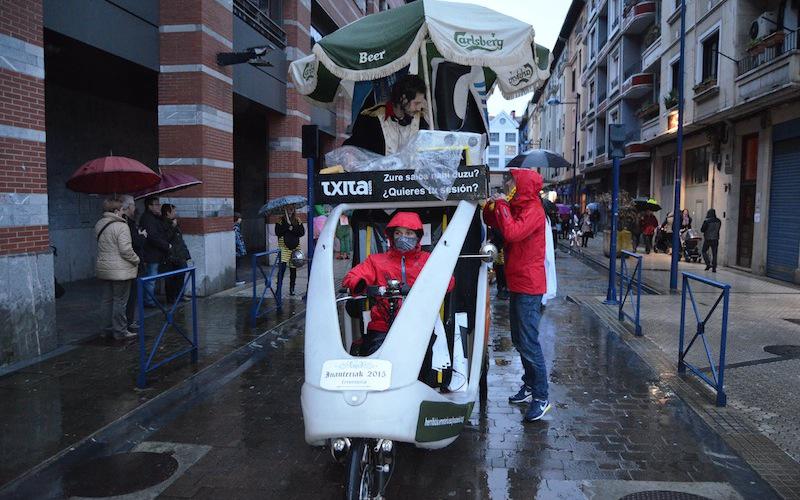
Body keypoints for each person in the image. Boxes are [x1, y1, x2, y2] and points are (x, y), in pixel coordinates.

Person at [483, 169, 551, 422]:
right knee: (519, 339)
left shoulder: (533, 209)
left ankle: (542, 397)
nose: (507, 184)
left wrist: (501, 204)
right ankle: (530, 385)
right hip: (518, 282)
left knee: (528, 342)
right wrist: (493, 205)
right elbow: (491, 220)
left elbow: (512, 233)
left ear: (522, 185)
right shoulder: (517, 205)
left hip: (529, 285)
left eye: (511, 180)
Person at [342, 211, 454, 356]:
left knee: (424, 361)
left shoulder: (428, 260)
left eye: (409, 233)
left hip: (420, 325)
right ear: (391, 236)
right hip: (382, 327)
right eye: (398, 233)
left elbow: (447, 281)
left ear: (417, 236)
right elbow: (353, 276)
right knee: (377, 359)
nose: (403, 237)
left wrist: (419, 288)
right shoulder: (376, 261)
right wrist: (361, 285)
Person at [343, 73, 429, 155]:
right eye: (416, 103)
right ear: (403, 98)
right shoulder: (372, 119)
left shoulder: (421, 119)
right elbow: (354, 148)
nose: (419, 108)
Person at [95, 198, 139, 340]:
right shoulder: (121, 226)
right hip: (120, 270)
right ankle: (120, 330)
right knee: (120, 300)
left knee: (106, 300)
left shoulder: (99, 224)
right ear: (115, 211)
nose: (123, 212)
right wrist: (136, 259)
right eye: (121, 210)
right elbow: (126, 250)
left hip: (104, 268)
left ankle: (105, 329)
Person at [139, 196, 171, 307]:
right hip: (151, 253)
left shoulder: (155, 217)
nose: (159, 207)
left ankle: (150, 299)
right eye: (156, 204)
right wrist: (166, 245)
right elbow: (153, 236)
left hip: (156, 253)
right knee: (151, 278)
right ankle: (149, 300)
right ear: (150, 206)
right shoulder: (147, 219)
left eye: (159, 204)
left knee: (153, 276)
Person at [120, 195, 146, 331]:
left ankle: (125, 322)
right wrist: (142, 236)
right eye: (133, 205)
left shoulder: (127, 222)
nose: (135, 208)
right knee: (129, 295)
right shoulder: (126, 223)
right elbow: (132, 243)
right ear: (128, 207)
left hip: (122, 264)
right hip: (130, 263)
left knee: (125, 296)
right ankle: (127, 322)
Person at [160, 204, 191, 303]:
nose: (175, 213)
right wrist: (173, 227)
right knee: (171, 278)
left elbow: (180, 239)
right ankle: (171, 298)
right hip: (171, 255)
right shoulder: (163, 224)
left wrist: (186, 253)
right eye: (173, 211)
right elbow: (166, 238)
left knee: (181, 276)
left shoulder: (175, 223)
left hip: (180, 254)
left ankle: (180, 295)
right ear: (168, 213)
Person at [275, 207, 305, 296]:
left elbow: (301, 232)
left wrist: (293, 228)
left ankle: (292, 289)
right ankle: (278, 289)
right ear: (285, 210)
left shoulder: (297, 220)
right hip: (284, 246)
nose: (290, 211)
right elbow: (277, 232)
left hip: (295, 246)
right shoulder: (280, 220)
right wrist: (286, 226)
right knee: (282, 268)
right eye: (288, 209)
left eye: (291, 209)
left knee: (293, 269)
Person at [234, 212, 247, 285]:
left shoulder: (236, 227)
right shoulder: (236, 228)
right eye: (240, 218)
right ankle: (236, 280)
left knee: (237, 265)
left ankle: (236, 279)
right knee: (236, 265)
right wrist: (242, 250)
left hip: (237, 250)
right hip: (237, 250)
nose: (241, 219)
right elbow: (238, 240)